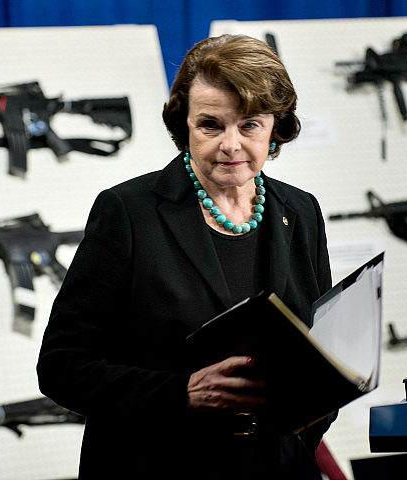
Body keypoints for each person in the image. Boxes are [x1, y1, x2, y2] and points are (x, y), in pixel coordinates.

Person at [37, 34, 336, 479]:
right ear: (185, 125)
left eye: (250, 124)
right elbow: (61, 366)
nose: (231, 144)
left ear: (277, 127)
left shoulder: (300, 210)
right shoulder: (129, 212)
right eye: (211, 125)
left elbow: (320, 347)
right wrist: (182, 392)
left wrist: (306, 418)